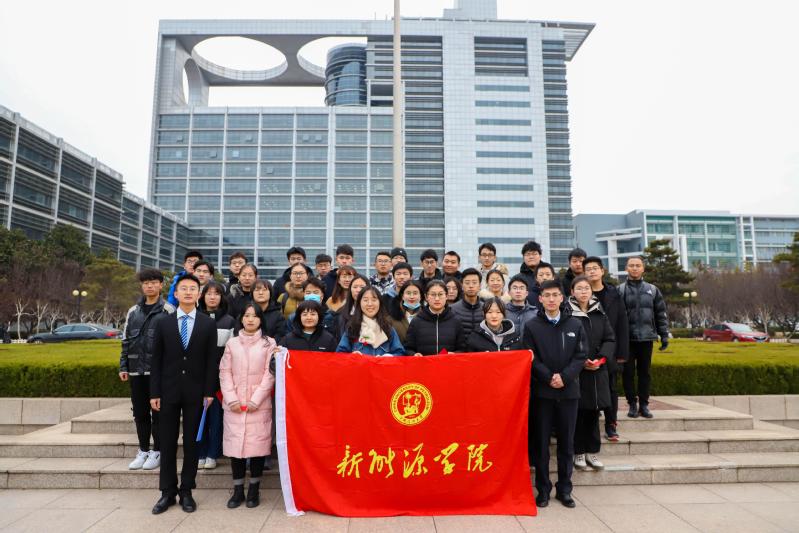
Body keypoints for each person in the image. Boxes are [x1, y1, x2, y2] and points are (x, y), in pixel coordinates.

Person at [150, 273, 217, 515]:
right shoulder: (163, 322)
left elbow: (211, 361)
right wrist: (154, 392)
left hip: (196, 393)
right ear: (176, 294)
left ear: (199, 294)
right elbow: (156, 360)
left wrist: (209, 391)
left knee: (192, 443)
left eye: (192, 288)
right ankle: (167, 492)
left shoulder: (207, 323)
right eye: (184, 288)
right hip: (167, 391)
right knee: (167, 442)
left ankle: (186, 490)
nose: (188, 292)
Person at [523, 279, 587, 509]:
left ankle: (564, 489)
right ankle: (543, 490)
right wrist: (549, 376)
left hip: (569, 393)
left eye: (555, 295)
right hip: (543, 393)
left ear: (562, 297)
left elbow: (581, 355)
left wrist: (565, 377)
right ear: (540, 299)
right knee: (541, 445)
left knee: (566, 444)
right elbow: (530, 356)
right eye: (547, 295)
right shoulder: (532, 326)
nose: (551, 299)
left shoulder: (575, 324)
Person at [219, 303, 278, 509]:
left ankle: (254, 489)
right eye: (246, 315)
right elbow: (224, 372)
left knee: (257, 448)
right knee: (236, 448)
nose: (250, 319)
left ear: (261, 319)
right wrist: (231, 398)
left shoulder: (269, 343)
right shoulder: (232, 343)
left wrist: (256, 399)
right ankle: (237, 491)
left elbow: (270, 373)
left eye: (254, 316)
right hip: (235, 404)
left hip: (258, 404)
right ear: (241, 319)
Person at [120, 268, 175, 471]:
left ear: (161, 285)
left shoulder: (168, 310)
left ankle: (157, 451)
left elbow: (173, 344)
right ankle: (143, 450)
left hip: (157, 373)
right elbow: (126, 341)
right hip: (137, 371)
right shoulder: (133, 311)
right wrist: (123, 366)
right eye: (146, 283)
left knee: (159, 415)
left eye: (153, 282)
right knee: (140, 413)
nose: (149, 286)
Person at [567, 276, 616, 472]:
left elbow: (609, 339)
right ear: (572, 292)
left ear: (591, 291)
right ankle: (578, 451)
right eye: (579, 288)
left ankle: (592, 451)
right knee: (578, 413)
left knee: (594, 412)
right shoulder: (567, 313)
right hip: (576, 371)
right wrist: (581, 362)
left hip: (597, 369)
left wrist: (601, 359)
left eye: (586, 288)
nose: (583, 292)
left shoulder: (599, 312)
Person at [583, 256, 629, 441]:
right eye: (588, 269)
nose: (592, 271)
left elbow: (622, 323)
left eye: (595, 268)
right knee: (590, 390)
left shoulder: (614, 294)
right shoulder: (582, 294)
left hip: (610, 348)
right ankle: (592, 427)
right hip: (588, 352)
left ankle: (611, 424)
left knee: (611, 388)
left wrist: (622, 353)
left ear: (602, 271)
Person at [618, 256, 669, 419]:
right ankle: (632, 404)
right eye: (631, 265)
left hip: (646, 338)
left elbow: (660, 314)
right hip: (627, 340)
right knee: (627, 373)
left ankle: (644, 405)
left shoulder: (652, 290)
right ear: (626, 268)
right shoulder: (620, 290)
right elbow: (615, 317)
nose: (634, 268)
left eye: (638, 265)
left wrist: (664, 335)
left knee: (644, 373)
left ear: (643, 268)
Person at [196, 281, 235, 470]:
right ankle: (201, 452)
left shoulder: (229, 321)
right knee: (198, 416)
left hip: (220, 377)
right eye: (209, 293)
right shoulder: (195, 318)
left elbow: (231, 352)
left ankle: (213, 453)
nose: (212, 297)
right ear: (202, 296)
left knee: (216, 418)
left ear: (222, 297)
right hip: (197, 376)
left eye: (217, 293)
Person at [336, 286, 405, 356]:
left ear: (380, 303)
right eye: (365, 300)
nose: (370, 304)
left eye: (374, 300)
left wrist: (389, 357)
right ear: (359, 303)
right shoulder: (352, 328)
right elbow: (340, 353)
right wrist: (352, 356)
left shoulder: (388, 328)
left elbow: (400, 353)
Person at [404, 280, 466, 356]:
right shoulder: (416, 321)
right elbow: (408, 348)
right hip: (424, 363)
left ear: (446, 296)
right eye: (433, 295)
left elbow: (462, 349)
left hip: (448, 363)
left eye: (440, 294)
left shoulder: (456, 321)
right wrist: (414, 354)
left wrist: (454, 354)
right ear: (426, 297)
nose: (437, 298)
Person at [450, 268, 484, 338]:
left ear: (480, 286)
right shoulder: (452, 309)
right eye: (467, 283)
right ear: (462, 286)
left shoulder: (486, 309)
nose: (471, 286)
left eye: (474, 282)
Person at [519, 241, 543, 305]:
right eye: (528, 254)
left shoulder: (550, 275)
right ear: (523, 257)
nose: (531, 257)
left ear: (540, 256)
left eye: (534, 254)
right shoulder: (518, 278)